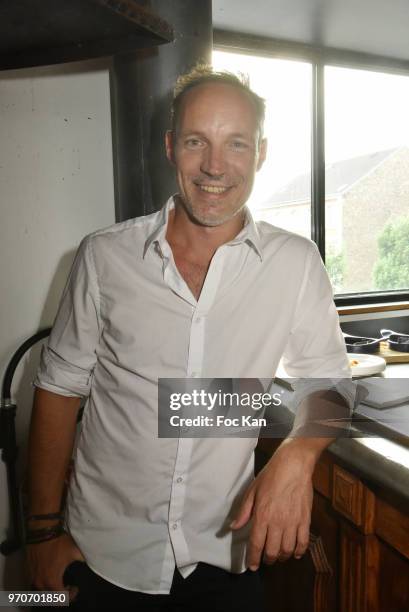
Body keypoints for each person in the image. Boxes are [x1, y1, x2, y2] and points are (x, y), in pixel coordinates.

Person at [26, 65, 352, 611]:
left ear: (262, 152)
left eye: (236, 144)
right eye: (197, 141)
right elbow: (59, 391)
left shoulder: (295, 262)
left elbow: (333, 384)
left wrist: (298, 455)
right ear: (171, 146)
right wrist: (38, 537)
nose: (215, 166)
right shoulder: (102, 256)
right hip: (100, 558)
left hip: (227, 557)